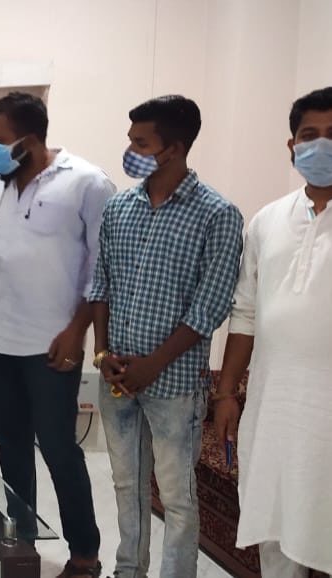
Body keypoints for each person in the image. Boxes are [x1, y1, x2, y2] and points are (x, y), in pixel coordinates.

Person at [89, 95, 243, 578]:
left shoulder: (217, 214)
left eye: (141, 143)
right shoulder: (119, 208)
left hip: (174, 383)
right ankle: (128, 570)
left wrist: (153, 364)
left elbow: (210, 305)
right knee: (126, 486)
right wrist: (102, 352)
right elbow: (100, 283)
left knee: (176, 497)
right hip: (117, 377)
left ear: (173, 149)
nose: (130, 151)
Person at [0, 92, 111, 578]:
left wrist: (77, 331)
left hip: (52, 344)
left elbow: (102, 267)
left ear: (29, 140)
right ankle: (22, 542)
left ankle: (85, 554)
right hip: (0, 339)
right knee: (10, 448)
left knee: (58, 450)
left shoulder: (87, 183)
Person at [214, 86, 332, 577]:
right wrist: (226, 393)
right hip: (276, 404)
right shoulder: (266, 221)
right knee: (276, 526)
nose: (321, 144)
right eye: (310, 134)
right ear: (292, 145)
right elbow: (244, 313)